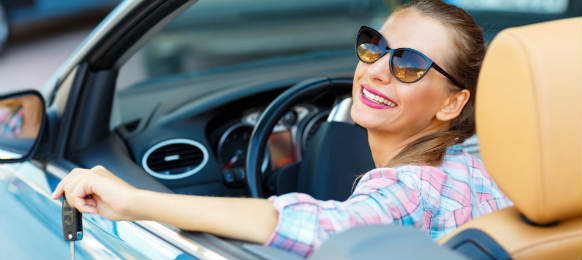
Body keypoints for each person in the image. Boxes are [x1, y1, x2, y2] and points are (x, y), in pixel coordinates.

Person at [51, 0, 512, 257]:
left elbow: (319, 227)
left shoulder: (411, 189)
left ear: (453, 102)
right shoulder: (487, 167)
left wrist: (134, 201)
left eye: (409, 65)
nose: (375, 72)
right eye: (375, 46)